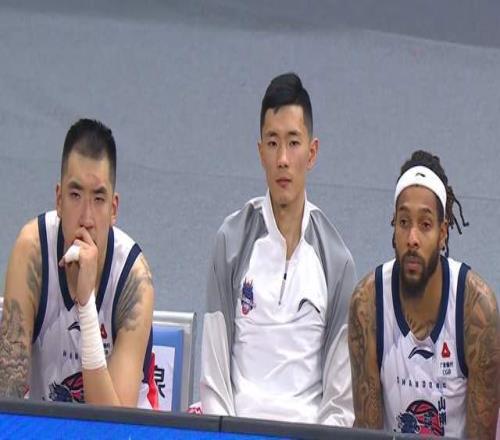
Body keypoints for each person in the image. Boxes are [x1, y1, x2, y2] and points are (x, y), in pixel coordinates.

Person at [200, 73, 356, 425]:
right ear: (261, 153)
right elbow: (214, 381)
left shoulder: (337, 261)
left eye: (293, 142)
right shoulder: (230, 242)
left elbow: (339, 403)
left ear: (312, 153)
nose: (283, 159)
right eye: (272, 143)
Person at [0, 119, 158, 408]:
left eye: (98, 198)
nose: (86, 218)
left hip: (118, 426)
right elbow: (6, 398)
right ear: (59, 199)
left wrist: (86, 307)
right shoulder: (32, 253)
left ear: (113, 209)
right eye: (75, 195)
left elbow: (113, 426)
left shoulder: (134, 282)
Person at [348, 150, 499, 438]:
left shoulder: (476, 310)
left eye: (425, 225)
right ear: (394, 227)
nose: (412, 238)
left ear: (443, 233)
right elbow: (368, 433)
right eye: (404, 222)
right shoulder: (367, 305)